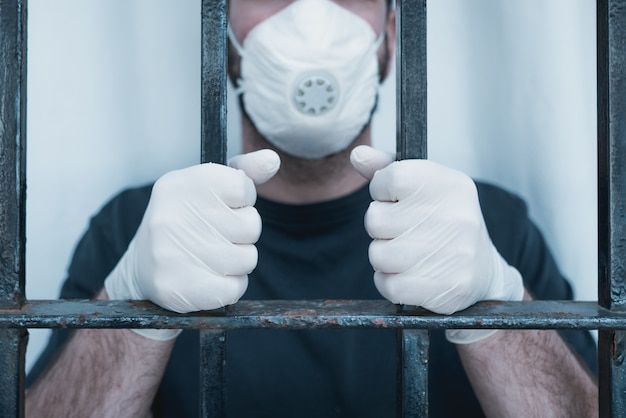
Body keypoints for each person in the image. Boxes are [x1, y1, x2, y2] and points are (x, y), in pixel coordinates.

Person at [26, 0, 598, 416]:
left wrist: (495, 304)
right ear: (223, 36)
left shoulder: (488, 224)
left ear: (392, 36)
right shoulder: (136, 228)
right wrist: (130, 308)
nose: (311, 21)